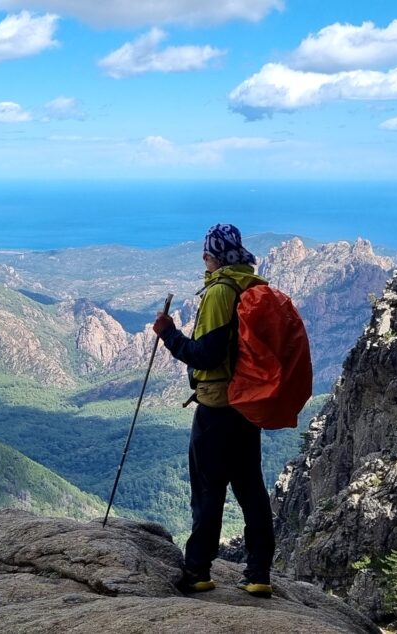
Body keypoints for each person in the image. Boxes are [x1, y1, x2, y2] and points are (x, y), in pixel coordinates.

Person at [152, 223, 275, 598]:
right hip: (247, 404)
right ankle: (259, 574)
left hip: (218, 406)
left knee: (208, 490)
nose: (203, 260)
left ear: (214, 256)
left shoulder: (221, 291)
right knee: (251, 489)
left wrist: (168, 333)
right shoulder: (252, 286)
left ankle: (198, 571)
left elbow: (205, 354)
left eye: (206, 254)